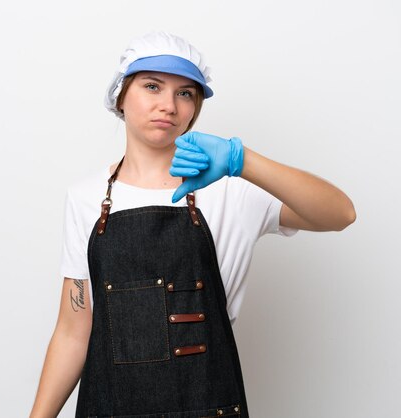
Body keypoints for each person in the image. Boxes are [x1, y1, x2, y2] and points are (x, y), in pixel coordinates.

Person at [29, 31, 356, 418]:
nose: (168, 105)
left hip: (207, 404)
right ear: (121, 95)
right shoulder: (86, 198)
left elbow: (340, 214)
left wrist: (242, 160)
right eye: (152, 86)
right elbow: (73, 332)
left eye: (185, 93)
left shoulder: (231, 190)